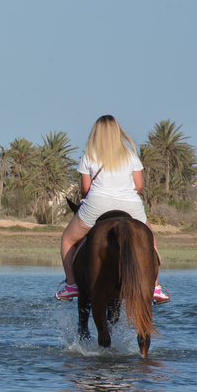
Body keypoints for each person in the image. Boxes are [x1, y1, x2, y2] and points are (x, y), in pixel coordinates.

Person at [55, 115, 169, 303]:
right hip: (130, 205)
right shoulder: (130, 155)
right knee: (150, 243)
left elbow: (85, 189)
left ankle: (71, 285)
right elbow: (139, 186)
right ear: (118, 132)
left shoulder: (89, 155)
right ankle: (155, 287)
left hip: (97, 205)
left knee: (67, 240)